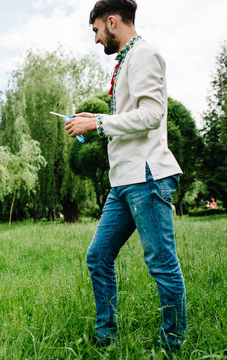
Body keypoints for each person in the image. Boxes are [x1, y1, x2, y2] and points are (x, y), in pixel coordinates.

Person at [64, 0, 186, 351]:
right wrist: (95, 117)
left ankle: (173, 345)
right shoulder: (128, 59)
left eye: (97, 30)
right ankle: (106, 339)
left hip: (147, 177)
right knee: (98, 257)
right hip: (123, 182)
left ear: (112, 21)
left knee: (161, 264)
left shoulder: (144, 54)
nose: (96, 39)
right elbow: (133, 115)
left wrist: (99, 123)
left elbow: (150, 114)